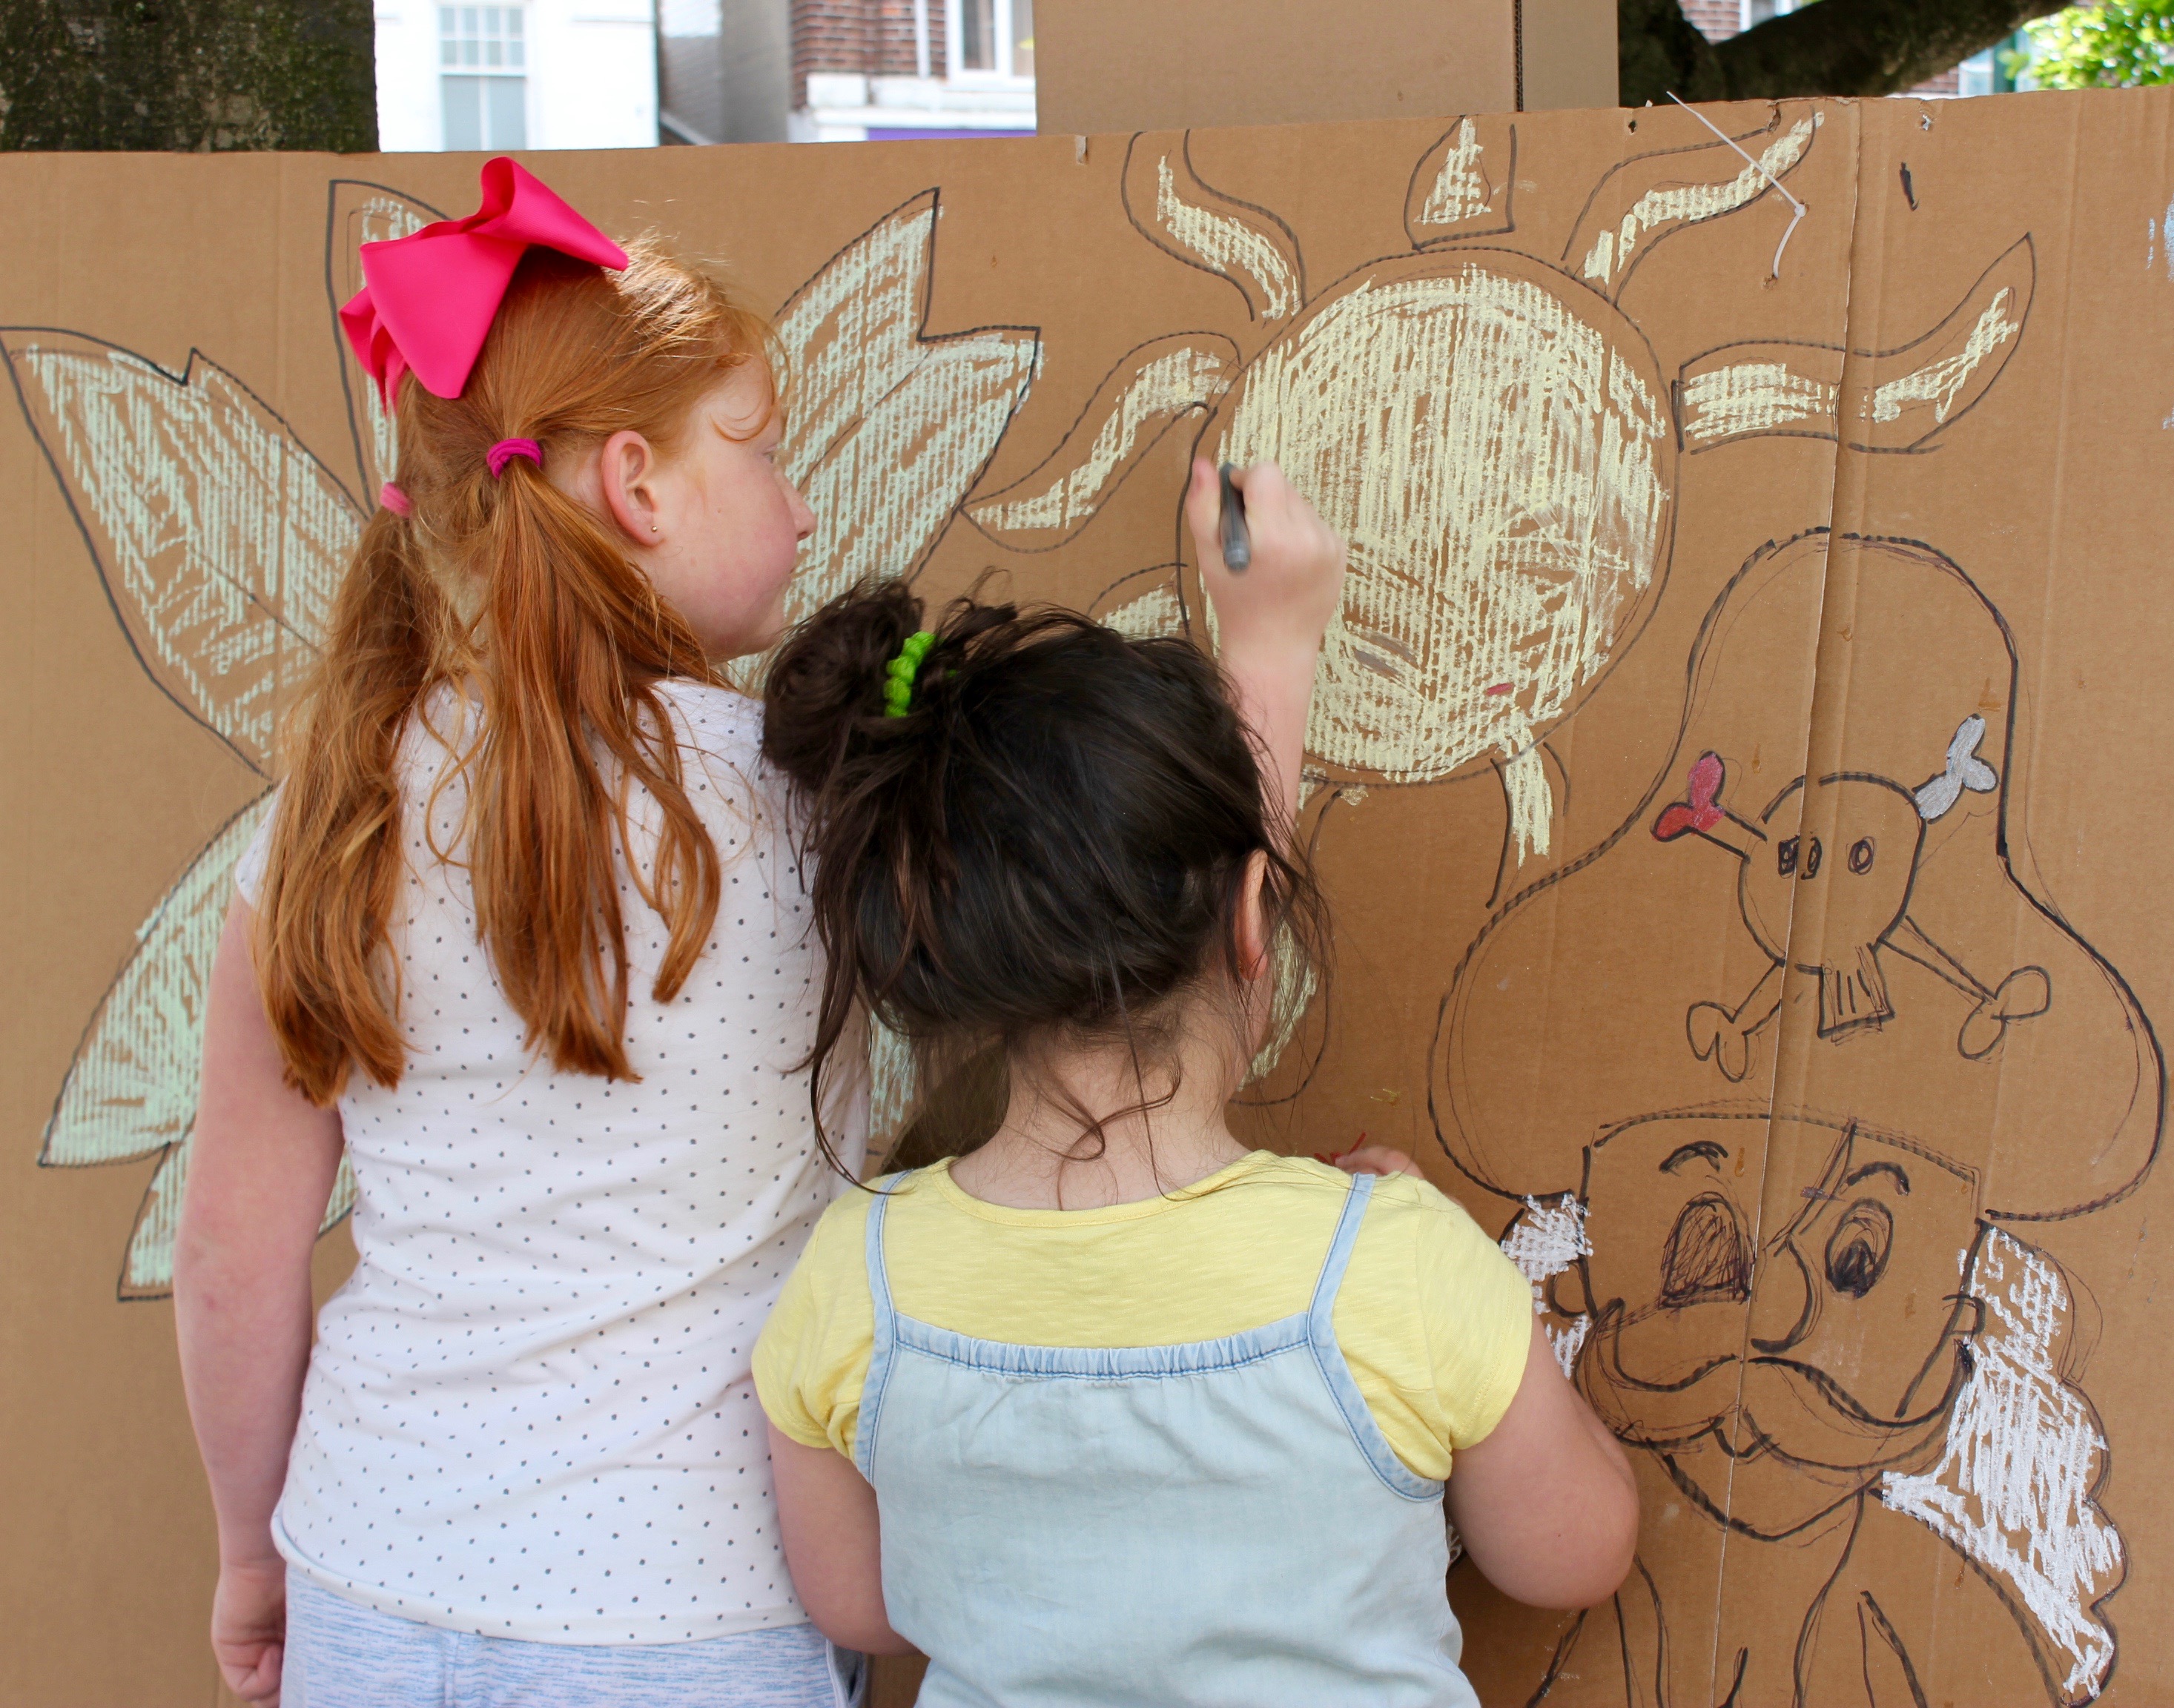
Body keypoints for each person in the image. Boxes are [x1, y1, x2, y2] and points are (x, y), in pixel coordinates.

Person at [751, 460, 1642, 1706]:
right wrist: (1480, 1306)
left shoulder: (858, 1275)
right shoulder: (1393, 1268)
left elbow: (862, 1608)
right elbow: (1574, 1552)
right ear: (1251, 922)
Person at [174, 159, 853, 1708]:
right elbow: (1112, 954)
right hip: (695, 1606)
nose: (801, 502)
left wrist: (249, 1554)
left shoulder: (337, 812)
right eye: (760, 451)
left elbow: (229, 1254)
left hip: (370, 1581)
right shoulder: (805, 804)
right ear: (636, 484)